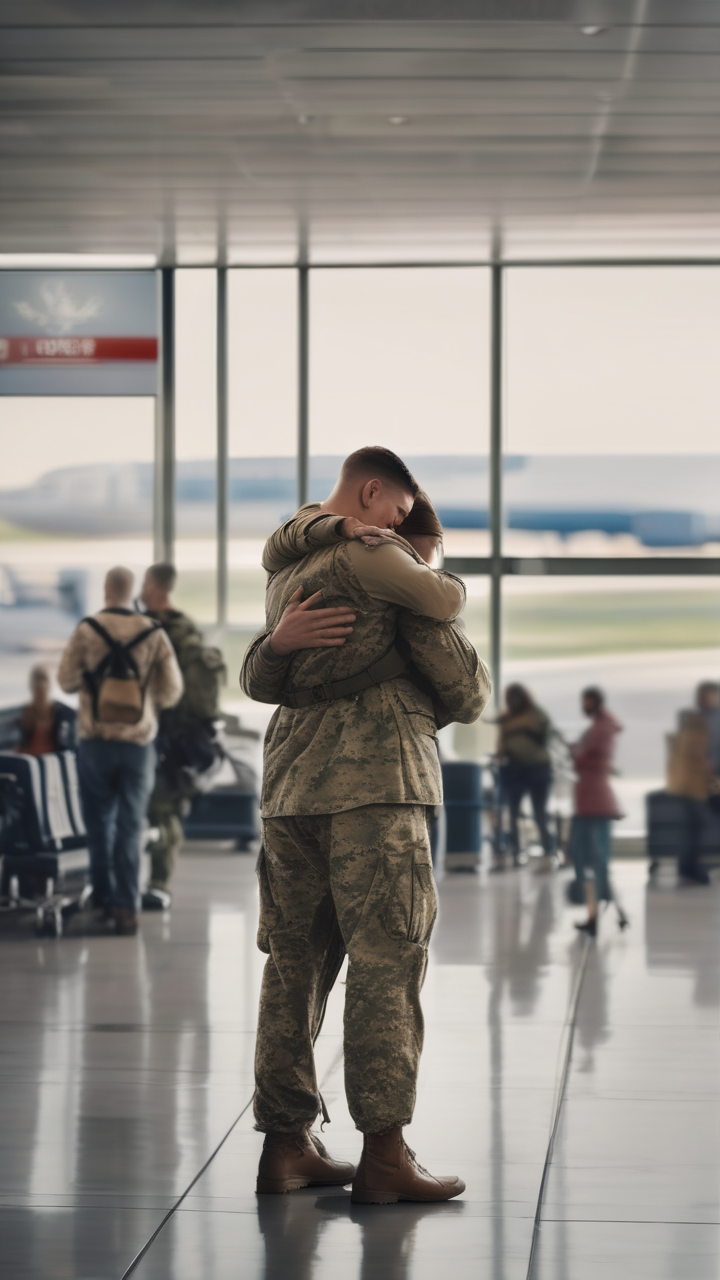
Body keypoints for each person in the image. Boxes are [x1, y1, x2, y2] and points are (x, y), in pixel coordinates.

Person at [241, 448, 490, 1205]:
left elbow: (260, 677)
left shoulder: (288, 572)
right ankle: (384, 1153)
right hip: (376, 784)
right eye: (397, 512)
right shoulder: (382, 563)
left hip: (291, 786)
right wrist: (423, 568)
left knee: (293, 965)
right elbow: (462, 683)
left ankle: (287, 1145)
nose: (394, 526)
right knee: (388, 961)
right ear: (376, 492)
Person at [57, 566, 183, 935]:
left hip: (95, 743)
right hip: (137, 745)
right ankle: (125, 909)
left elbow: (65, 681)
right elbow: (173, 690)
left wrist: (94, 685)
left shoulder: (87, 630)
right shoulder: (153, 632)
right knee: (131, 825)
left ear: (105, 589)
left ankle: (102, 898)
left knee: (98, 824)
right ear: (132, 592)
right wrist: (145, 703)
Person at [139, 562, 226, 909]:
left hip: (159, 736)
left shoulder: (155, 630)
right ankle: (156, 883)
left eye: (145, 585)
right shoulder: (187, 627)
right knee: (164, 810)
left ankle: (158, 882)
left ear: (155, 587)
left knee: (160, 810)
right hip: (181, 739)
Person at [570, 686, 627, 935]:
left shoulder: (601, 728)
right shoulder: (603, 725)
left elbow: (588, 759)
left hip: (594, 802)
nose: (583, 706)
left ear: (592, 701)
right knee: (593, 861)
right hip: (591, 800)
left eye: (585, 701)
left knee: (591, 861)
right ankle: (608, 912)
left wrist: (574, 752)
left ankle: (599, 914)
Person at [496, 683, 556, 869]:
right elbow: (502, 744)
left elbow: (545, 735)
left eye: (517, 697)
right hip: (515, 769)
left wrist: (522, 728)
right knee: (513, 813)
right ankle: (515, 852)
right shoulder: (507, 718)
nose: (514, 701)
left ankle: (549, 853)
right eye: (511, 698)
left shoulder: (535, 713)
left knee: (539, 813)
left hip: (538, 768)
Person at [13, 663, 76, 756]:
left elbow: (66, 740)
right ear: (31, 686)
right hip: (30, 758)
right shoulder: (26, 712)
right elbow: (20, 743)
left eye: (43, 679)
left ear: (49, 685)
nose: (40, 684)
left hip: (52, 759)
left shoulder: (59, 711)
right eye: (36, 680)